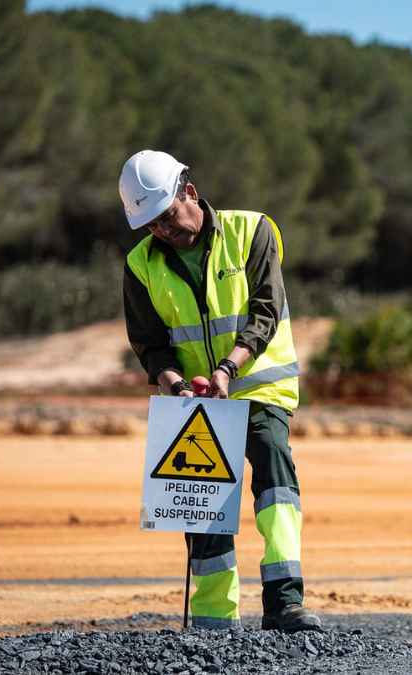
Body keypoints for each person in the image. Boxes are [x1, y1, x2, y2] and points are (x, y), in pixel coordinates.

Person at [119, 149, 321, 633]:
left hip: (257, 386)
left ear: (188, 192)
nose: (164, 231)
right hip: (195, 401)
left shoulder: (253, 231)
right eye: (153, 226)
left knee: (273, 466)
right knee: (200, 496)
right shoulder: (140, 264)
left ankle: (285, 604)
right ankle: (213, 618)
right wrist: (175, 383)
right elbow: (150, 343)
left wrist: (230, 368)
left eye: (167, 217)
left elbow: (265, 312)